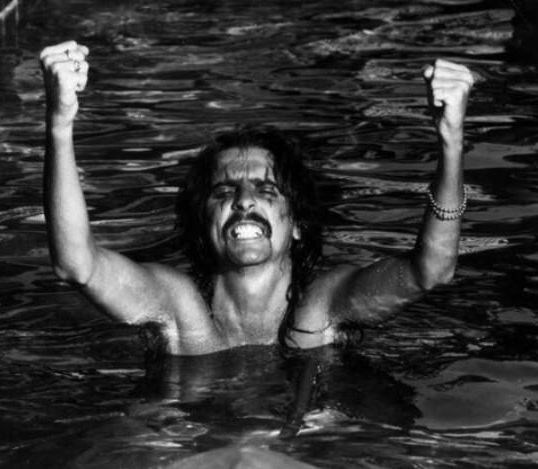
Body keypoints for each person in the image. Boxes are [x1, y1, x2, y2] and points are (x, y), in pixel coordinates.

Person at [39, 41, 474, 356]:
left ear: (297, 222)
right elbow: (77, 265)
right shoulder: (179, 310)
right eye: (224, 191)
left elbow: (432, 272)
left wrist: (451, 142)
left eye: (266, 190)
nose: (245, 200)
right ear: (201, 221)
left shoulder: (322, 308)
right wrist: (60, 126)